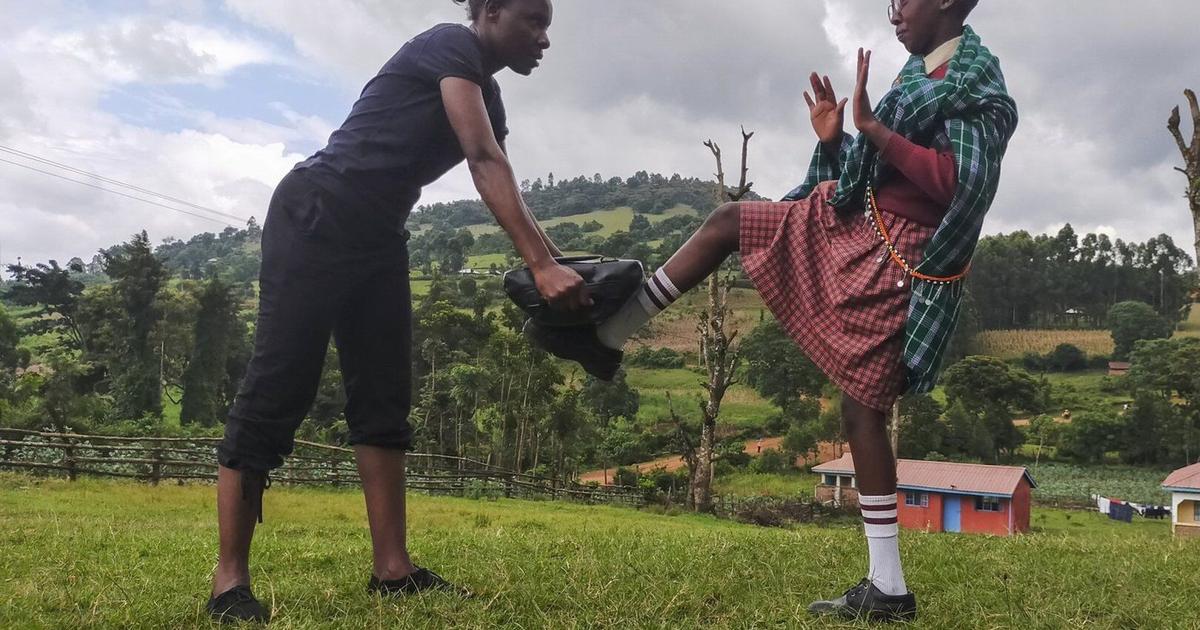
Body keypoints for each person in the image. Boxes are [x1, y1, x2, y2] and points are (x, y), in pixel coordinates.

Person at [527, 0, 1016, 622]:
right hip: (865, 232)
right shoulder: (919, 77)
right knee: (733, 225)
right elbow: (874, 177)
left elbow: (959, 186)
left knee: (862, 405)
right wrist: (837, 138)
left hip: (898, 259)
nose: (893, 11)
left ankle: (889, 588)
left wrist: (874, 131)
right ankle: (887, 586)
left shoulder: (977, 83)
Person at [205, 0, 585, 623]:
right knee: (279, 385)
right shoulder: (448, 46)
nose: (544, 38)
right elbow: (483, 160)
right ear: (489, 11)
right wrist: (541, 264)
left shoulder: (490, 97)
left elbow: (499, 175)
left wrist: (553, 260)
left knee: (384, 392)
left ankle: (393, 568)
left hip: (380, 237)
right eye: (534, 21)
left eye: (548, 26)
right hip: (316, 216)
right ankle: (228, 581)